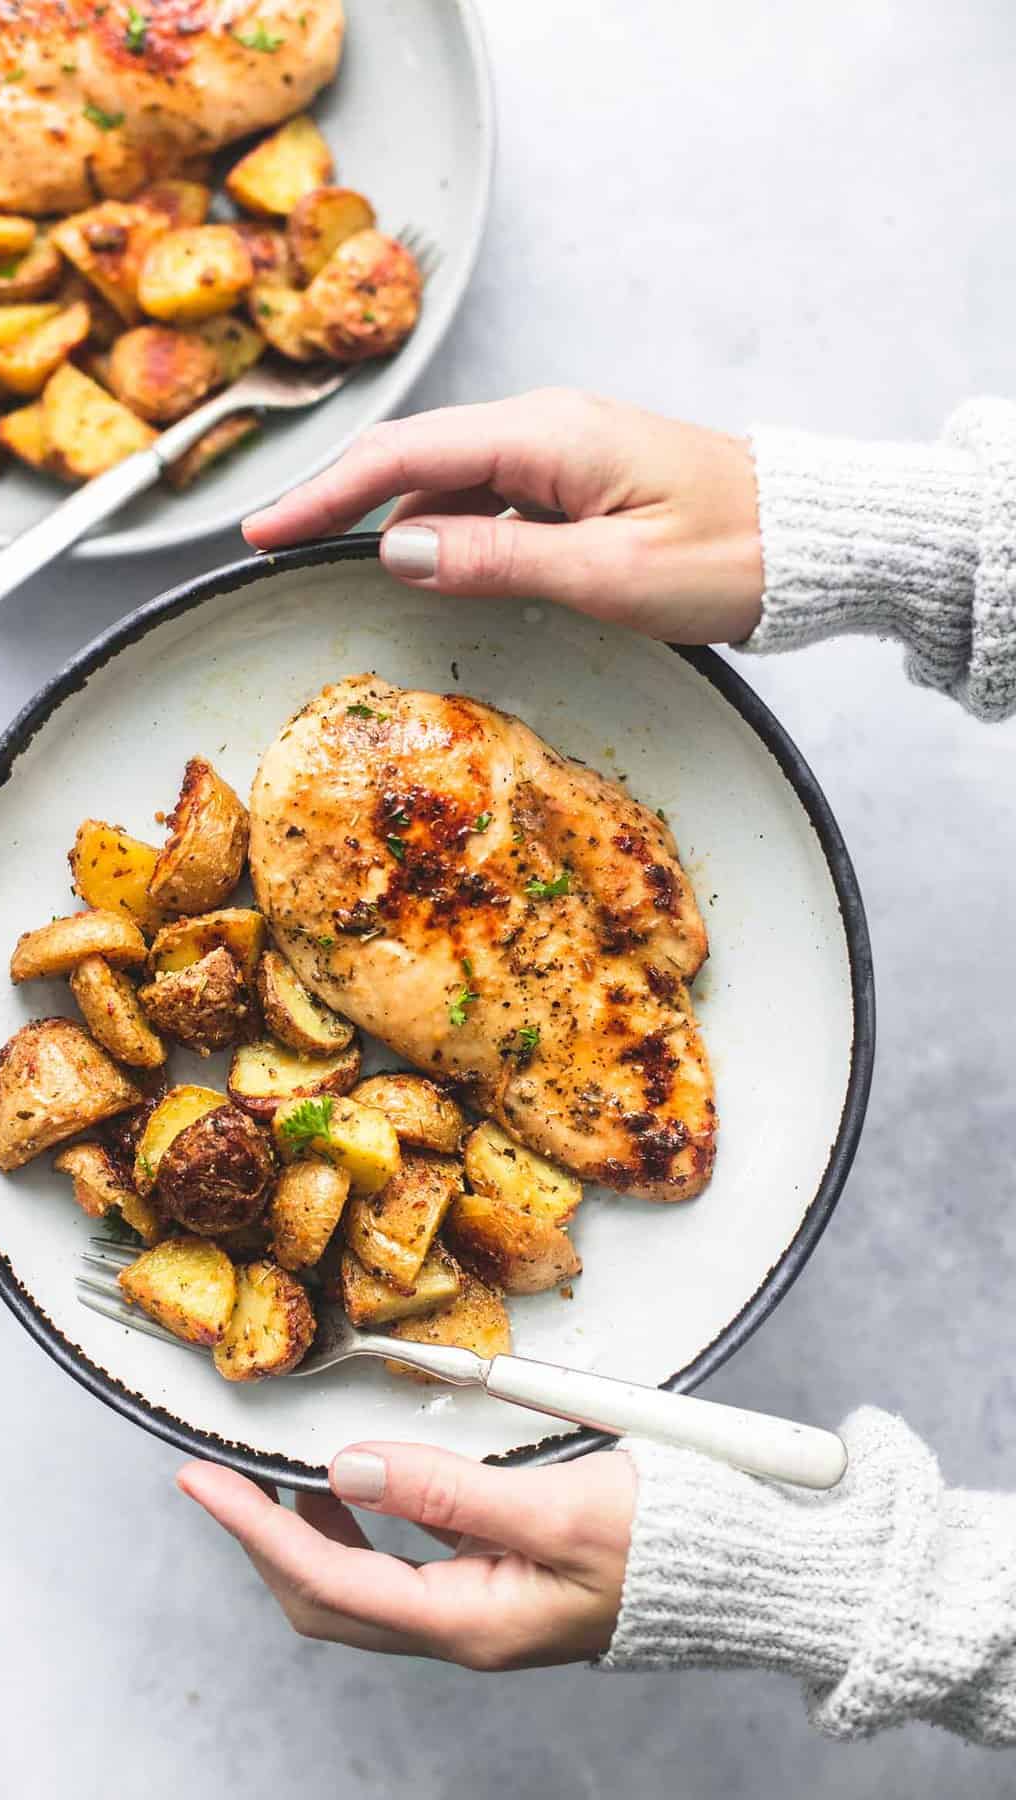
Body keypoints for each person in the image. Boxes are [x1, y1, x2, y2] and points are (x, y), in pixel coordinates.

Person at [177, 390, 1016, 1744]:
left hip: (512, 945)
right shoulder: (595, 990)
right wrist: (931, 541)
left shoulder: (626, 1098)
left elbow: (631, 882)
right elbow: (638, 870)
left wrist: (835, 1594)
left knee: (630, 1074)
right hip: (438, 842)